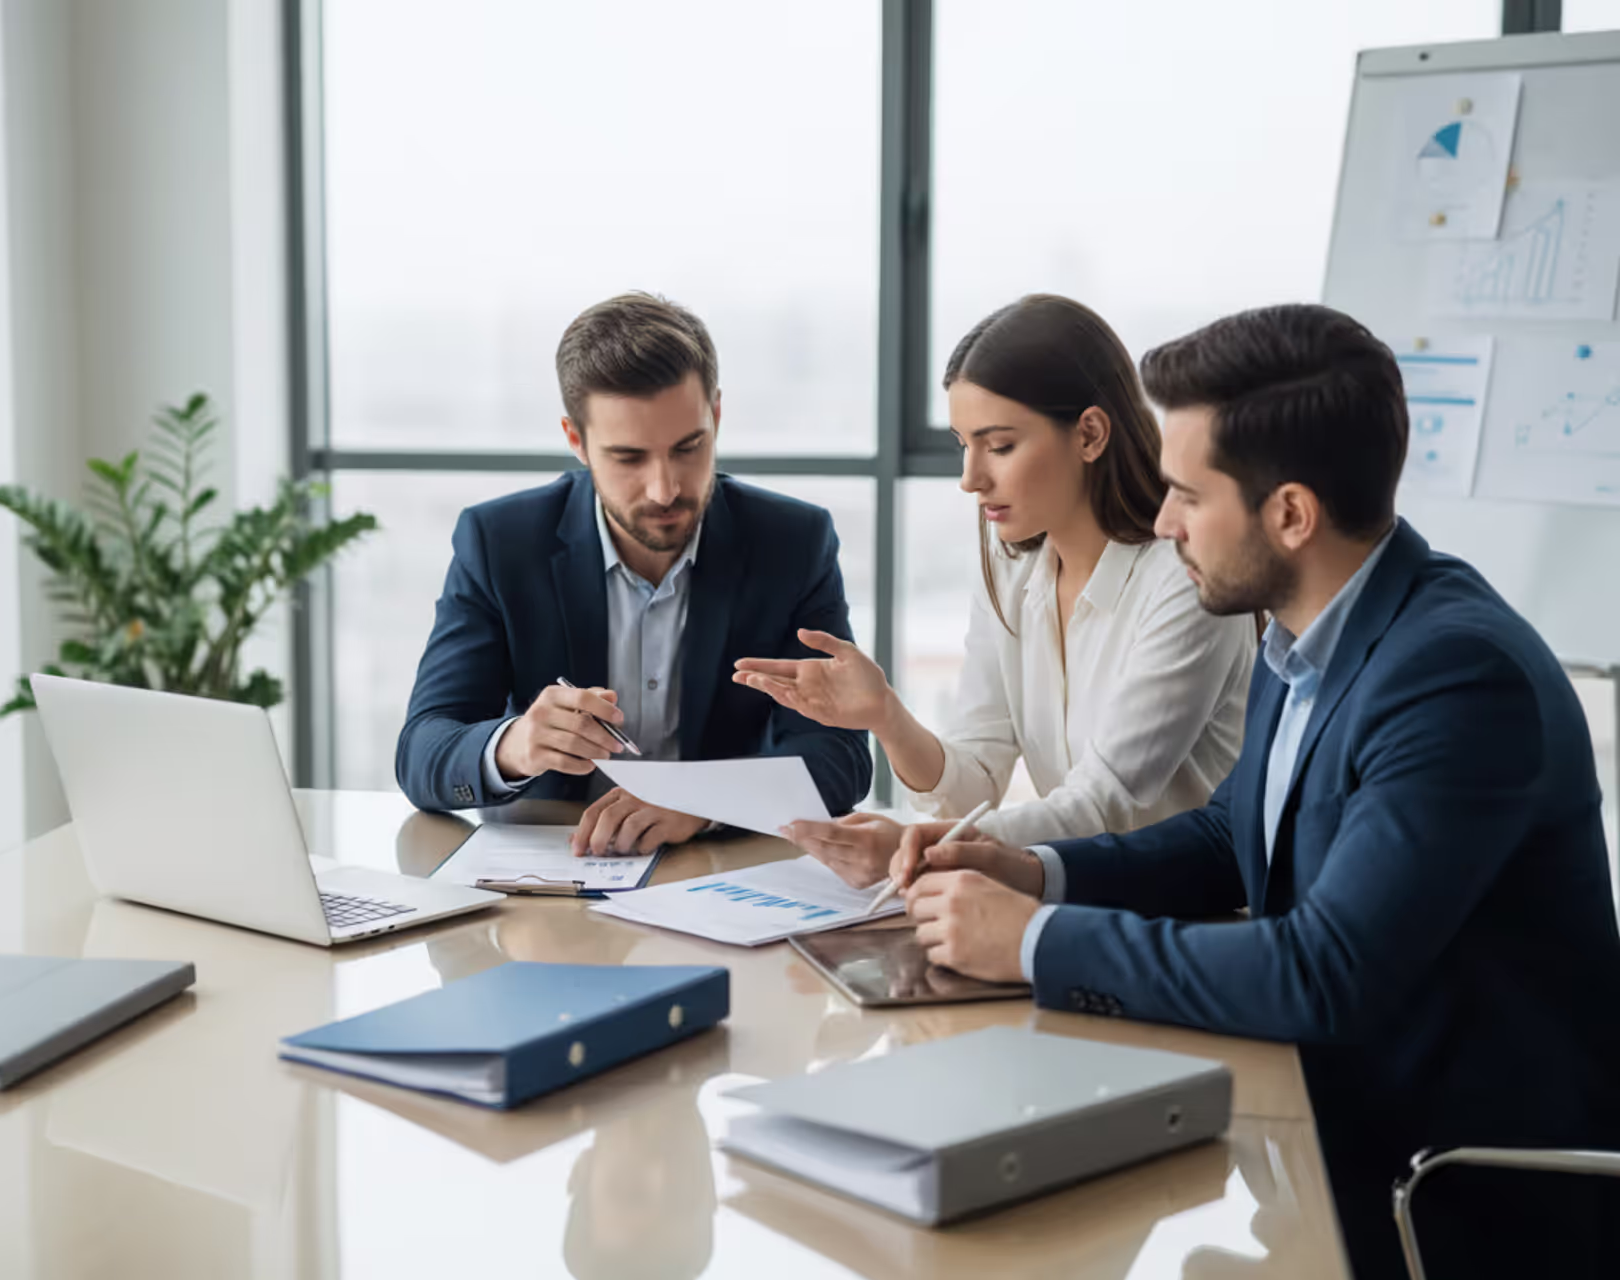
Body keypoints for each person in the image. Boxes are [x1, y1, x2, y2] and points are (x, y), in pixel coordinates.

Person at [893, 303, 1620, 1278]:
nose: (1160, 522)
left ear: (1288, 513)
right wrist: (1034, 870)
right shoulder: (1302, 626)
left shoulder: (1454, 678)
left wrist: (1027, 938)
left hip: (1443, 1190)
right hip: (1317, 1119)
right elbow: (1228, 833)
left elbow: (1323, 971)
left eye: (1187, 495)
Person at [733, 294, 1257, 885]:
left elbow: (1105, 802)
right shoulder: (1011, 565)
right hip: (1072, 898)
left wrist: (920, 847)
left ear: (1089, 434)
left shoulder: (1184, 580)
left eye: (1000, 446)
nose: (969, 478)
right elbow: (973, 785)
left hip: (1188, 915)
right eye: (963, 444)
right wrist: (885, 715)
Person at [396, 292, 872, 849]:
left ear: (715, 416)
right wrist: (514, 745)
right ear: (577, 441)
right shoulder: (499, 543)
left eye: (689, 447)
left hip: (714, 878)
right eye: (629, 458)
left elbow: (839, 758)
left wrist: (703, 802)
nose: (665, 488)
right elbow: (422, 751)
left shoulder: (792, 542)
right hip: (547, 884)